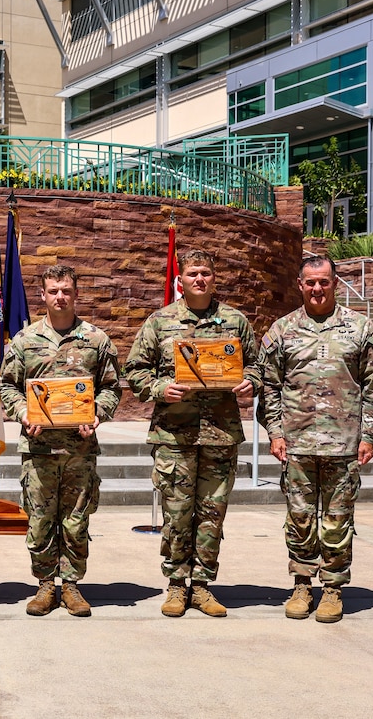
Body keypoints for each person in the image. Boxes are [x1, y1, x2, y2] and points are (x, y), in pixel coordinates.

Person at [124, 249, 261, 618]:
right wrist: (159, 389)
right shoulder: (159, 322)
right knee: (176, 514)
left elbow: (260, 366)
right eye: (192, 274)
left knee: (212, 515)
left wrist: (251, 382)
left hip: (220, 434)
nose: (199, 279)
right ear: (180, 280)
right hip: (174, 436)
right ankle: (176, 585)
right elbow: (135, 371)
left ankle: (201, 586)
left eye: (205, 273)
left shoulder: (235, 321)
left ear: (214, 278)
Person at [258, 254, 373, 624]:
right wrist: (275, 431)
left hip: (344, 444)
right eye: (311, 282)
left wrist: (369, 435)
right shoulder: (281, 331)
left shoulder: (361, 329)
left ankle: (332, 588)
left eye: (325, 281)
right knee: (299, 517)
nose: (318, 288)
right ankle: (301, 584)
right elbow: (269, 386)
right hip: (297, 443)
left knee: (337, 519)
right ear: (300, 284)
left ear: (335, 283)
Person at [0, 265, 121, 617]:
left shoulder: (96, 340)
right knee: (39, 520)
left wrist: (98, 412)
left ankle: (71, 585)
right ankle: (45, 584)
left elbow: (112, 387)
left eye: (66, 290)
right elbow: (7, 386)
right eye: (53, 291)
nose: (60, 297)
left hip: (79, 449)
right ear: (43, 295)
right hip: (38, 449)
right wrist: (22, 411)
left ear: (76, 294)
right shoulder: (24, 341)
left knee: (76, 520)